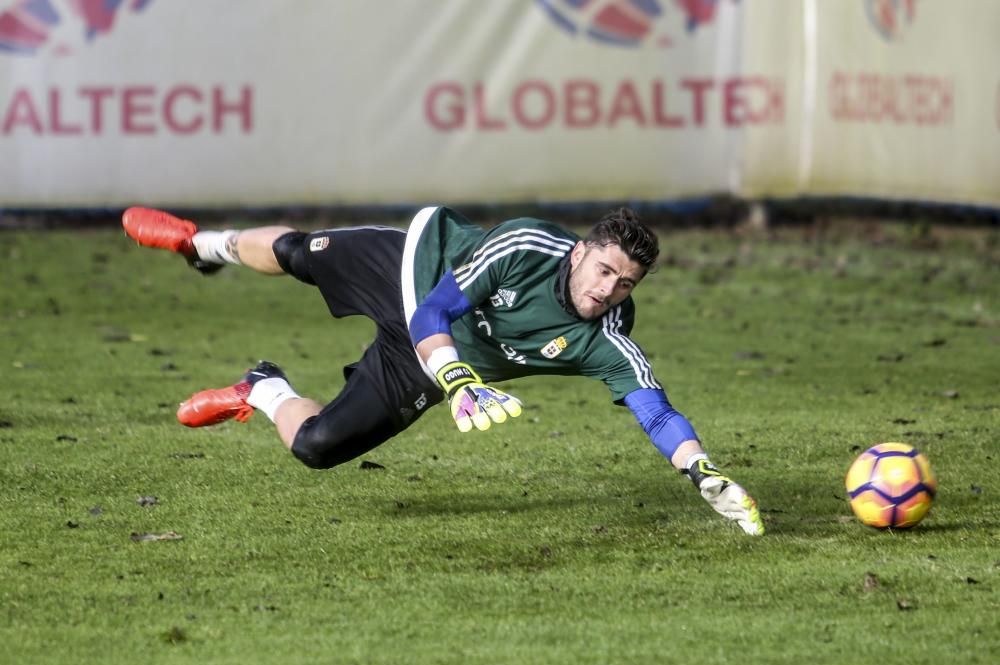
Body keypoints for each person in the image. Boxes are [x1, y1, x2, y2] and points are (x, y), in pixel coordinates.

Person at [122, 205, 764, 535]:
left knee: (317, 448)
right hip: (412, 276)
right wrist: (459, 381)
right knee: (296, 253)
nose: (607, 291)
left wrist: (701, 471)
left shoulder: (607, 336)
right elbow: (436, 310)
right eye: (604, 271)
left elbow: (654, 407)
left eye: (626, 284)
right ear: (580, 252)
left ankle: (261, 387)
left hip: (425, 368)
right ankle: (199, 244)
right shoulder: (528, 246)